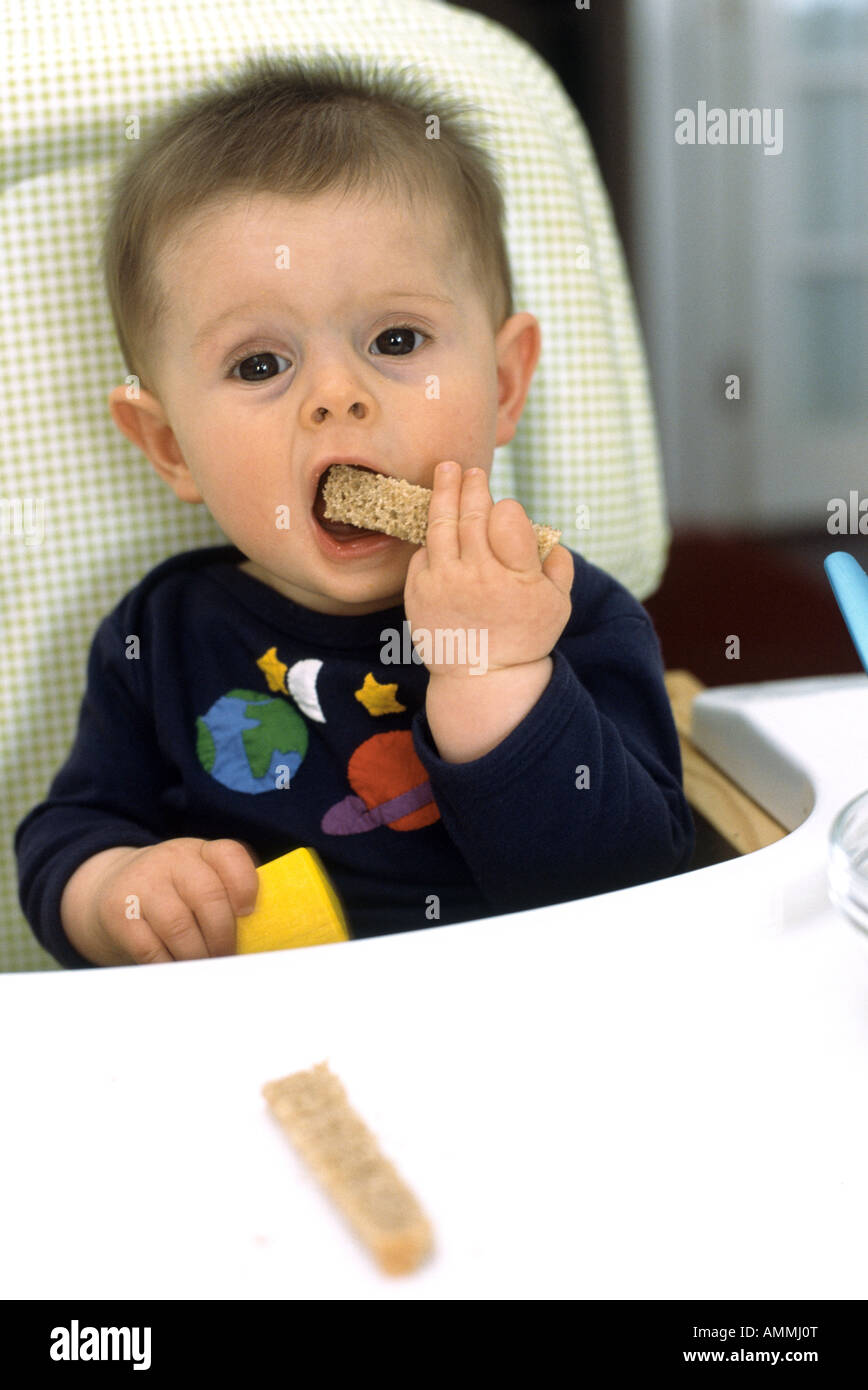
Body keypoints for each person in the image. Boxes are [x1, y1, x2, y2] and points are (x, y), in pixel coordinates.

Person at [15, 54, 694, 968]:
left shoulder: (564, 610)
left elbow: (632, 889)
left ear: (502, 384)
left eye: (396, 340)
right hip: (258, 1048)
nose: (337, 395)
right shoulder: (160, 638)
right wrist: (117, 892)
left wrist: (495, 673)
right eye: (260, 365)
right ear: (169, 445)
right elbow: (69, 832)